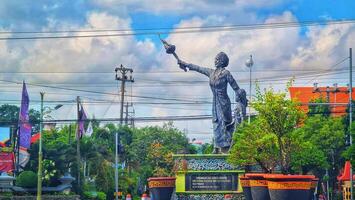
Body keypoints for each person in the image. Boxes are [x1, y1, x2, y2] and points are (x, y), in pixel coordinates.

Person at [178, 52, 246, 154]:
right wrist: (186, 64)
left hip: (224, 103)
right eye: (215, 59)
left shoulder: (226, 73)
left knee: (223, 124)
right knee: (216, 124)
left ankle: (225, 148)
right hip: (215, 103)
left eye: (217, 59)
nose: (215, 61)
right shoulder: (211, 72)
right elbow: (198, 68)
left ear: (222, 61)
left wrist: (241, 101)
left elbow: (236, 88)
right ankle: (216, 147)